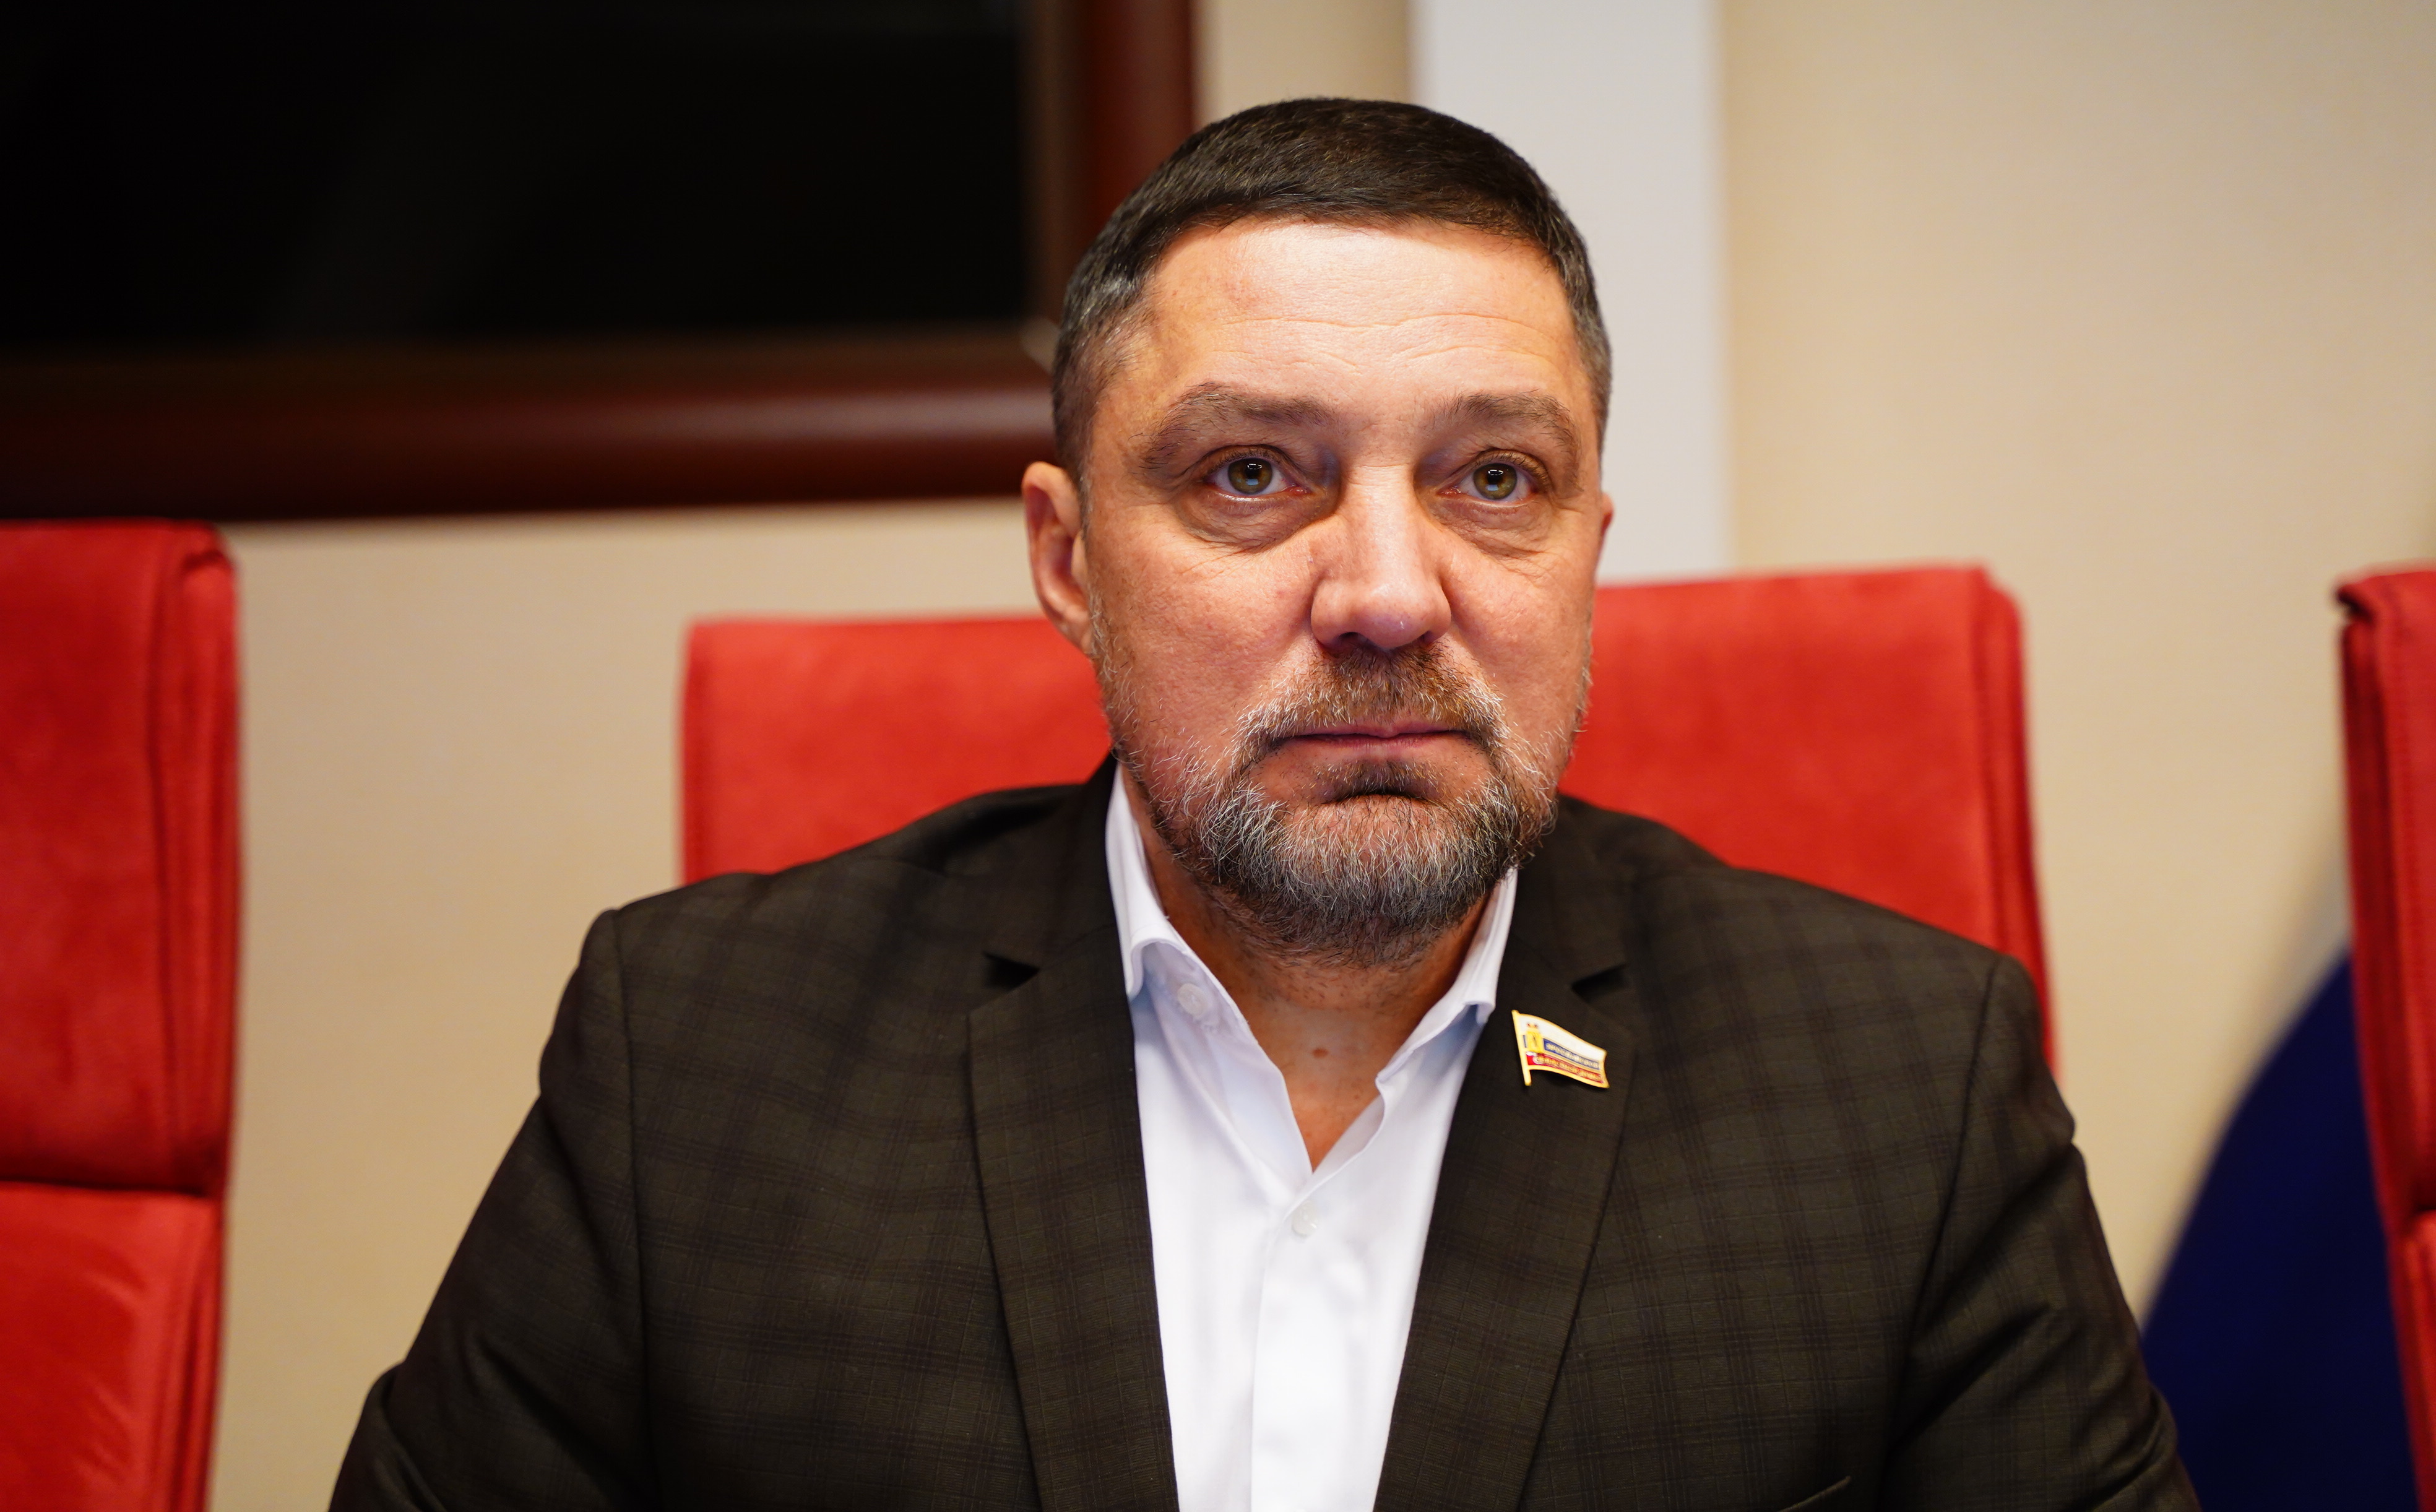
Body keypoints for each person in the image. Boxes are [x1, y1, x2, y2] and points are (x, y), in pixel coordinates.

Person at [332, 99, 2193, 1511]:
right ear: (1070, 559)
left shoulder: (1904, 1087)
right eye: (1251, 473)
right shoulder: (700, 1060)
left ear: (1589, 549)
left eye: (1493, 478)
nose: (1388, 594)